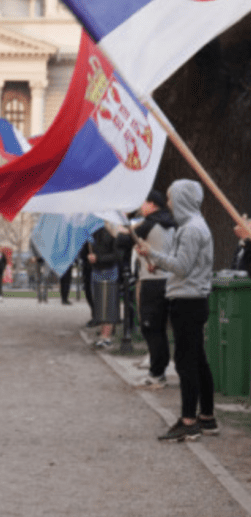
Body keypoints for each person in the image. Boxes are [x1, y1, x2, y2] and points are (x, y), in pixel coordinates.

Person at [136, 180, 216, 442]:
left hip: (188, 301)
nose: (168, 203)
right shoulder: (193, 226)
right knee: (198, 360)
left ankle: (189, 421)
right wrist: (156, 260)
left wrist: (154, 255)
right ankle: (206, 417)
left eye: (171, 198)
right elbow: (182, 265)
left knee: (186, 362)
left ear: (182, 199)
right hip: (191, 298)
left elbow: (181, 267)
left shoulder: (192, 229)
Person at [129, 190, 176, 388]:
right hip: (167, 278)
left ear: (152, 204)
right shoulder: (171, 222)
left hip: (151, 280)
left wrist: (125, 227)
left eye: (144, 203)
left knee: (150, 328)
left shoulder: (149, 223)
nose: (141, 206)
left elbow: (122, 241)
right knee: (160, 329)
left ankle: (157, 373)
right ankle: (159, 370)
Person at [88, 226, 121, 349]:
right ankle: (103, 334)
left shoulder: (111, 231)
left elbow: (117, 255)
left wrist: (98, 258)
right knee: (100, 302)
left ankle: (106, 336)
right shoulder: (92, 233)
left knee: (108, 303)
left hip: (109, 269)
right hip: (97, 269)